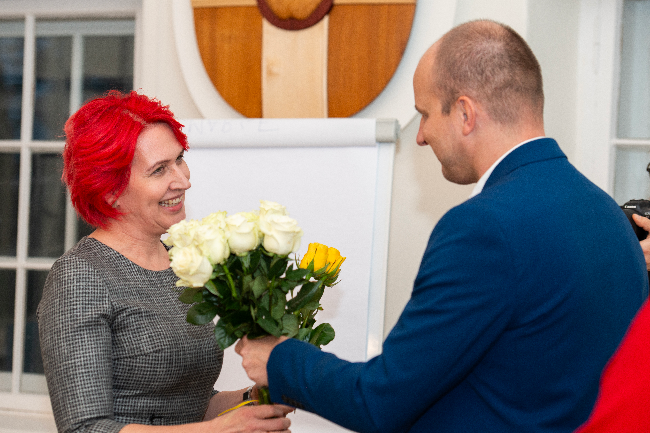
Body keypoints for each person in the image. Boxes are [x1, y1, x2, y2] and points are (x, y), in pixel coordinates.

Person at [234, 20, 648, 432]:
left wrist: (280, 360)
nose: (421, 136)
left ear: (465, 113)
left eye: (425, 114)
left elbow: (380, 401)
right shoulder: (606, 211)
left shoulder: (484, 228)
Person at [37, 91, 292, 433]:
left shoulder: (181, 261)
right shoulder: (81, 276)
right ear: (110, 190)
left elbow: (188, 406)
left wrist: (253, 399)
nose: (184, 180)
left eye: (179, 159)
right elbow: (85, 428)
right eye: (159, 170)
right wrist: (220, 430)